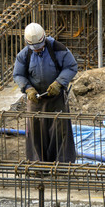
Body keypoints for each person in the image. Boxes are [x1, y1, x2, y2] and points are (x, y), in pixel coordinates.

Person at [13, 22, 78, 163]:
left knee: (59, 131)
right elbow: (18, 74)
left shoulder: (59, 49)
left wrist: (59, 82)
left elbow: (71, 66)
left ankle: (61, 164)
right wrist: (28, 88)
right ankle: (37, 164)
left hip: (56, 98)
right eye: (34, 49)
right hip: (35, 99)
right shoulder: (24, 55)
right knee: (36, 132)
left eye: (40, 47)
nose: (37, 50)